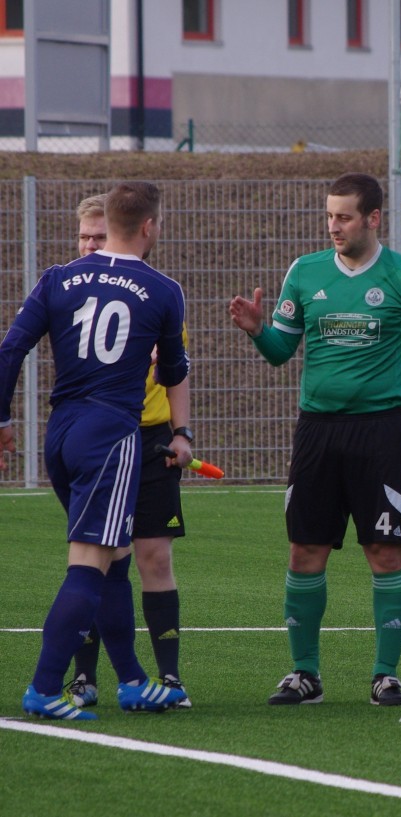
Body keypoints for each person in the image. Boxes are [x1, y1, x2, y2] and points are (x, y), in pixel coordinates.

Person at [228, 172, 401, 707]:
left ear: (373, 218)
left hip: (381, 434)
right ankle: (304, 675)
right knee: (305, 549)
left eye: (344, 216)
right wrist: (261, 331)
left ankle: (385, 675)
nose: (333, 226)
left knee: (385, 550)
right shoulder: (305, 272)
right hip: (317, 432)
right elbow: (283, 351)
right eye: (329, 215)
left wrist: (395, 393)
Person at [0, 181, 191, 720]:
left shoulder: (58, 278)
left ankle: (131, 680)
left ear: (106, 221)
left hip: (61, 432)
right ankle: (43, 688)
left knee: (113, 562)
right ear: (150, 226)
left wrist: (3, 420)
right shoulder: (162, 289)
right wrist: (182, 432)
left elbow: (11, 348)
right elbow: (173, 370)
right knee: (88, 565)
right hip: (111, 436)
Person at [66, 194, 193, 710]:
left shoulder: (159, 295)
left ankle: (169, 677)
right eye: (86, 238)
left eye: (100, 236)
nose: (93, 246)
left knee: (153, 556)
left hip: (151, 441)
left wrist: (183, 434)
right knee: (96, 559)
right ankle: (83, 677)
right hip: (98, 442)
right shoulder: (71, 292)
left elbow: (178, 371)